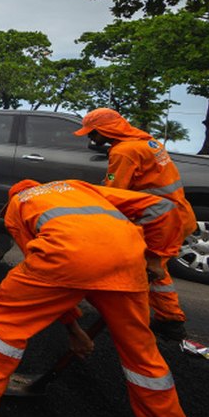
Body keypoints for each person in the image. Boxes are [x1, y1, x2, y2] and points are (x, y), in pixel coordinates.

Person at [0, 179, 196, 417]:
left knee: (2, 316)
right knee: (141, 354)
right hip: (128, 259)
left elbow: (47, 278)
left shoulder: (19, 205)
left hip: (70, 256)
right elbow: (163, 207)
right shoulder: (76, 187)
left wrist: (73, 328)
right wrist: (155, 256)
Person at [75, 107, 198, 341]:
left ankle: (168, 321)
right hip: (176, 213)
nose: (90, 138)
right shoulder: (147, 141)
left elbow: (115, 193)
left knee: (152, 270)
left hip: (160, 221)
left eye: (93, 133)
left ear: (106, 129)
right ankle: (167, 318)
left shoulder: (124, 151)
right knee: (155, 269)